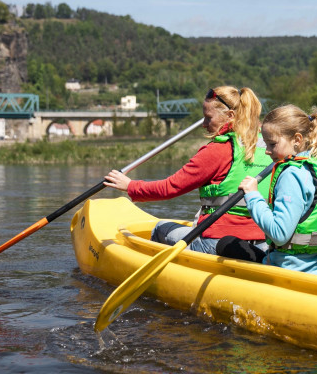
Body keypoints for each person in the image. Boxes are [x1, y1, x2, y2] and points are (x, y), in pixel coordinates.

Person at [103, 86, 272, 255]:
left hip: (216, 244)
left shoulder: (218, 150)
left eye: (208, 118)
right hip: (263, 244)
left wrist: (130, 186)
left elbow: (171, 187)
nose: (204, 124)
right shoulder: (270, 149)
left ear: (230, 116)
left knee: (160, 228)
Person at [217, 105, 317, 277]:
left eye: (272, 144)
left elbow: (279, 234)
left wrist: (253, 196)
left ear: (297, 139)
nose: (267, 151)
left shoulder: (292, 174)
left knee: (226, 243)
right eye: (266, 144)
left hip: (288, 273)